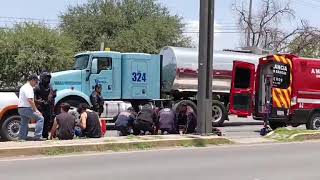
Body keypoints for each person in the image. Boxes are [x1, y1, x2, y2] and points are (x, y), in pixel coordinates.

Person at [17, 74, 45, 141]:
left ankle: (21, 137)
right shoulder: (29, 88)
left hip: (21, 108)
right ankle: (38, 136)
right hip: (26, 108)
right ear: (32, 80)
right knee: (40, 118)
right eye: (36, 82)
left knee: (24, 122)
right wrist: (36, 110)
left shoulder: (23, 87)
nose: (36, 84)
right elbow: (30, 100)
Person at [34, 71, 56, 139]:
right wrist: (42, 102)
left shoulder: (50, 86)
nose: (48, 80)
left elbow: (52, 94)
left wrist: (53, 95)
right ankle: (38, 135)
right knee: (41, 120)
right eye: (46, 78)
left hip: (49, 107)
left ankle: (45, 135)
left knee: (48, 121)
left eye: (49, 78)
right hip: (41, 107)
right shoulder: (37, 87)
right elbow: (35, 98)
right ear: (42, 78)